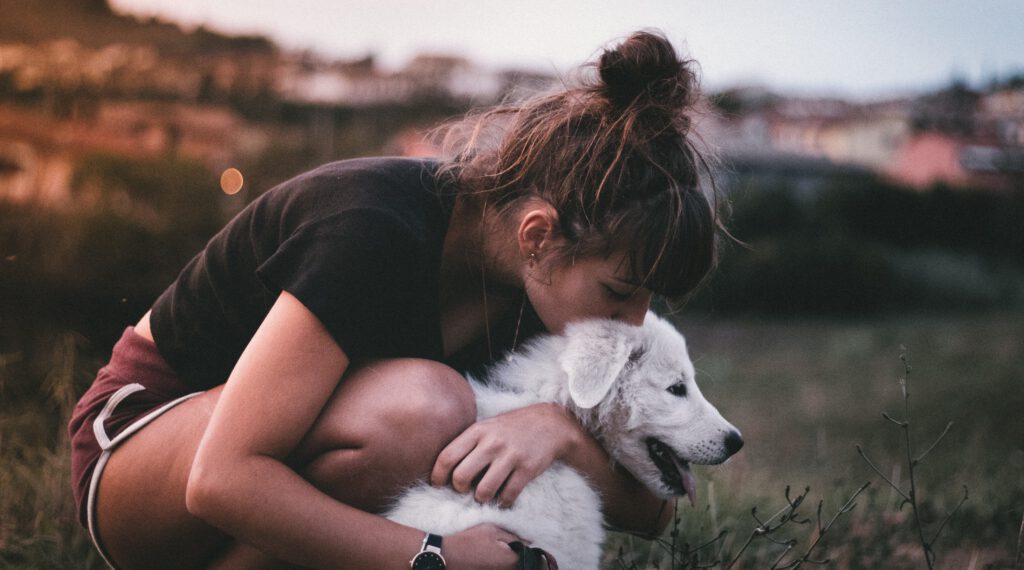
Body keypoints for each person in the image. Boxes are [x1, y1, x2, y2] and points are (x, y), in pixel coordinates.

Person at [69, 30, 721, 569]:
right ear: (538, 236)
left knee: (435, 416)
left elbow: (652, 512)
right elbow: (219, 479)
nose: (633, 324)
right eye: (619, 292)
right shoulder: (373, 227)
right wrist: (435, 556)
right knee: (424, 409)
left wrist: (557, 434)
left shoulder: (539, 291)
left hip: (244, 488)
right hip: (139, 464)